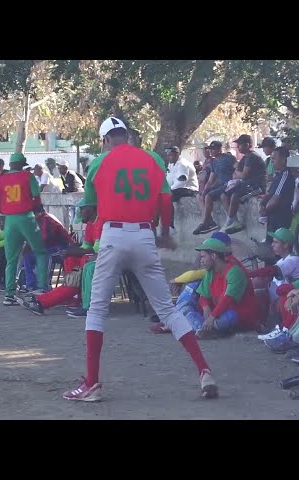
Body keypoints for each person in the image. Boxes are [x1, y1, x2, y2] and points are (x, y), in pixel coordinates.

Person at [62, 117, 218, 402]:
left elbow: (88, 209)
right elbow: (164, 200)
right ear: (127, 135)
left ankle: (92, 384)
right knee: (168, 312)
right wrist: (165, 232)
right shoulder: (153, 160)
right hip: (144, 234)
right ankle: (204, 370)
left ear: (105, 139)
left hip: (113, 235)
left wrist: (91, 212)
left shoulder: (99, 162)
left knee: (96, 311)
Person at [0, 153, 49, 306]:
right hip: (27, 218)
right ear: (23, 164)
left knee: (12, 259)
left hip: (10, 220)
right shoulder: (27, 176)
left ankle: (9, 295)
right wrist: (35, 210)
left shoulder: (1, 179)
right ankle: (42, 288)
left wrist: (7, 210)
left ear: (10, 164)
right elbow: (37, 196)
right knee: (40, 252)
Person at [21, 200, 99, 315]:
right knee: (70, 266)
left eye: (82, 209)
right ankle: (60, 296)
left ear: (91, 208)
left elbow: (94, 250)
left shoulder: (100, 223)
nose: (81, 212)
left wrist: (70, 251)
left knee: (72, 281)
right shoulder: (90, 225)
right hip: (83, 257)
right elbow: (85, 247)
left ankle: (42, 301)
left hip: (94, 259)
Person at [194, 237, 260, 338]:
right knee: (188, 305)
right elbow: (203, 295)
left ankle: (203, 329)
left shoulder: (234, 271)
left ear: (214, 256)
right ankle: (202, 329)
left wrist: (212, 317)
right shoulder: (210, 271)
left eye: (203, 257)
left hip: (239, 317)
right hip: (219, 314)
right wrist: (205, 306)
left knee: (230, 316)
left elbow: (228, 299)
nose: (201, 261)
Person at [19, 207, 74, 294]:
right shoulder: (35, 221)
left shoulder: (47, 219)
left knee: (44, 255)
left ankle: (44, 286)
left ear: (38, 213)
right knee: (27, 255)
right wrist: (26, 249)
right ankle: (31, 285)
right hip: (49, 247)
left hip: (62, 247)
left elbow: (44, 238)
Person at [221, 134, 267, 234]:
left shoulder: (252, 156)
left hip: (257, 186)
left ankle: (229, 222)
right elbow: (235, 175)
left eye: (240, 144)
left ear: (247, 145)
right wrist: (238, 174)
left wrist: (238, 173)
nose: (238, 147)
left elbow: (244, 175)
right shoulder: (245, 158)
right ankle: (234, 220)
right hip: (247, 184)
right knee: (224, 194)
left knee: (235, 195)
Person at [193, 141, 236, 235]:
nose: (211, 151)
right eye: (210, 149)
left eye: (213, 149)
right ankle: (209, 221)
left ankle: (206, 222)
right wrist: (204, 191)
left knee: (209, 196)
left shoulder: (229, 158)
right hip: (220, 185)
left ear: (219, 149)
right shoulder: (214, 162)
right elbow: (210, 180)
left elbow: (237, 169)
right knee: (201, 196)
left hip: (229, 184)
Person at [259, 147, 296, 240]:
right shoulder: (278, 175)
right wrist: (262, 204)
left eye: (274, 159)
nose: (272, 161)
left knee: (277, 245)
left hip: (280, 218)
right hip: (273, 218)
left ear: (283, 160)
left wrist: (264, 212)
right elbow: (269, 195)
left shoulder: (285, 175)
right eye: (271, 159)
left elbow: (275, 200)